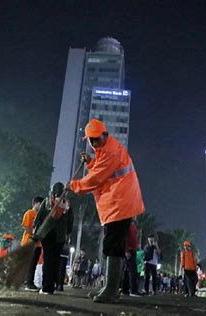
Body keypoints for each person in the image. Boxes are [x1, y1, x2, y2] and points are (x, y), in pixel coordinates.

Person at [67, 118, 145, 303]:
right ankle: (109, 288)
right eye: (90, 140)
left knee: (113, 245)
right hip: (117, 203)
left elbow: (96, 178)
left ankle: (110, 290)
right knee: (113, 244)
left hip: (120, 204)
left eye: (95, 138)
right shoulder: (105, 149)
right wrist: (91, 162)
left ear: (105, 134)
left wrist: (74, 185)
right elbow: (103, 170)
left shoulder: (110, 151)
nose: (93, 143)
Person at [33, 182, 73, 295]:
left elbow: (38, 217)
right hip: (60, 237)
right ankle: (53, 285)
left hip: (47, 235)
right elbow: (70, 222)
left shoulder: (46, 202)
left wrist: (36, 231)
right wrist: (68, 234)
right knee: (56, 261)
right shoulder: (67, 204)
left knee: (48, 260)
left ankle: (46, 287)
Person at [21, 196, 44, 291]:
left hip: (38, 244)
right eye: (41, 204)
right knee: (31, 263)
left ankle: (30, 282)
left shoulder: (41, 215)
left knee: (33, 264)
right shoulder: (29, 213)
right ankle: (29, 283)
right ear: (36, 203)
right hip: (29, 242)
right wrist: (34, 235)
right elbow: (25, 226)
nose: (42, 206)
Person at [122, 219, 142, 296]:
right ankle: (133, 291)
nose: (135, 216)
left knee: (127, 271)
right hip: (129, 250)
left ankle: (125, 290)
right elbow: (125, 238)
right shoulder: (127, 226)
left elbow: (134, 238)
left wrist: (137, 246)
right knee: (133, 271)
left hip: (133, 250)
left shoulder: (134, 226)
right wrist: (126, 250)